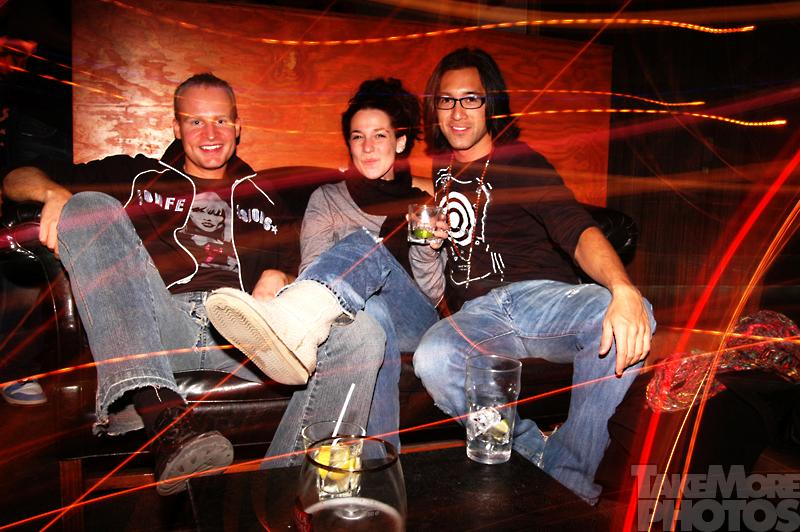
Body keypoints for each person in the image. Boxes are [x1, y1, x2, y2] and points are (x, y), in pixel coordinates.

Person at [1, 73, 386, 493]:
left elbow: (310, 268)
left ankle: (286, 494)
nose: (210, 134)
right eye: (196, 121)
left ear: (237, 128)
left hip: (243, 330)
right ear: (176, 127)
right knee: (89, 204)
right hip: (160, 322)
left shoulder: (268, 196)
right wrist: (54, 193)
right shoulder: (137, 175)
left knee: (362, 333)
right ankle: (164, 418)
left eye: (221, 121)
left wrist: (282, 276)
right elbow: (16, 178)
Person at [411, 48, 656, 505]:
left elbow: (577, 230)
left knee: (627, 311)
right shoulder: (443, 170)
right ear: (435, 109)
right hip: (478, 316)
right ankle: (535, 454)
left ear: (492, 104)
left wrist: (622, 288)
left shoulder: (522, 162)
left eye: (471, 99)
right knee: (434, 356)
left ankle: (570, 481)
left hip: (536, 299)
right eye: (447, 101)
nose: (458, 113)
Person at [206, 78, 445, 450]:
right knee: (372, 314)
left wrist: (428, 250)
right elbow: (314, 269)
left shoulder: (421, 203)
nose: (367, 147)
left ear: (399, 142)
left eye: (380, 136)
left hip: (415, 319)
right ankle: (377, 463)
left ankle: (292, 323)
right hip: (354, 321)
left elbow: (432, 294)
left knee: (365, 248)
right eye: (357, 137)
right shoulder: (328, 198)